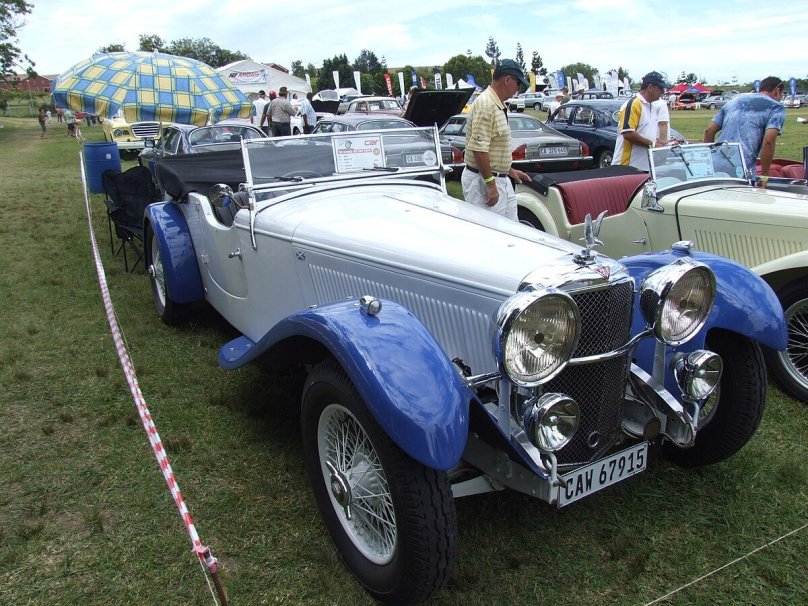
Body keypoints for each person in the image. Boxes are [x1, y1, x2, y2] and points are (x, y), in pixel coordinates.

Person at [460, 59, 532, 221]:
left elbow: (492, 146)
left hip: (498, 179)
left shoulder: (496, 104)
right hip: (484, 182)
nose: (518, 90)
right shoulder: (486, 105)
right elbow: (478, 148)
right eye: (518, 84)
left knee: (512, 232)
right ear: (507, 80)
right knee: (490, 235)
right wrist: (491, 184)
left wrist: (509, 170)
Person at [703, 76, 786, 188]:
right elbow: (769, 142)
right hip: (742, 171)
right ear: (778, 90)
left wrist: (709, 161)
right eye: (782, 94)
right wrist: (765, 177)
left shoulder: (734, 101)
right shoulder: (776, 108)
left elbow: (709, 131)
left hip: (716, 166)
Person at [611, 71, 669, 171]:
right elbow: (628, 134)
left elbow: (647, 131)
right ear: (650, 87)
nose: (663, 92)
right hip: (627, 166)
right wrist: (653, 144)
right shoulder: (634, 104)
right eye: (660, 89)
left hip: (643, 166)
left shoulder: (652, 106)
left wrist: (665, 141)